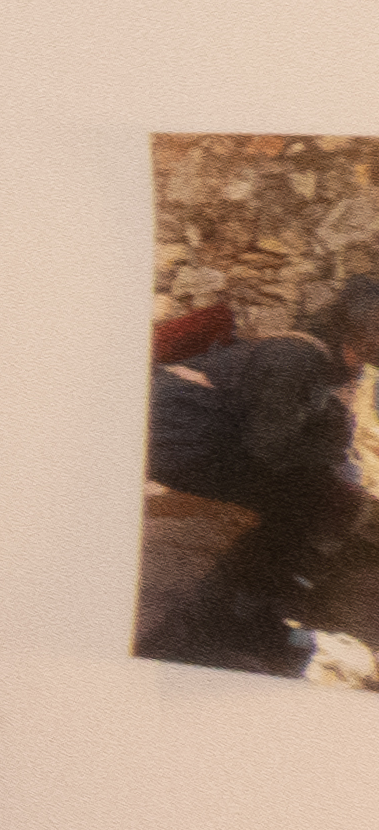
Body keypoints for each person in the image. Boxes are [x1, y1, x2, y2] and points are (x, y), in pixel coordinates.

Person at [146, 275, 379, 667]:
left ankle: (257, 600)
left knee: (324, 494)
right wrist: (329, 445)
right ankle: (228, 612)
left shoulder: (333, 368)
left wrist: (333, 439)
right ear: (359, 333)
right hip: (175, 443)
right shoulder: (295, 358)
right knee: (301, 498)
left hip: (207, 442)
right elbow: (268, 448)